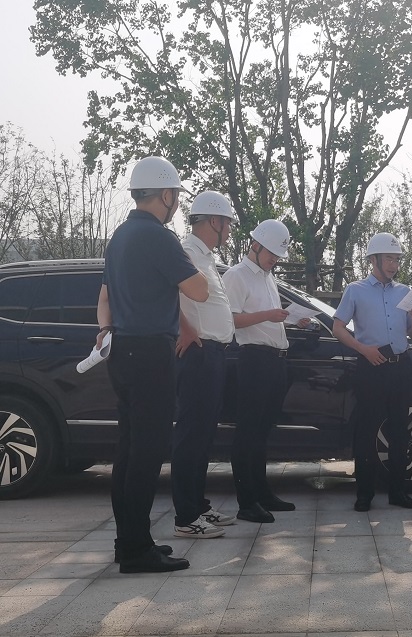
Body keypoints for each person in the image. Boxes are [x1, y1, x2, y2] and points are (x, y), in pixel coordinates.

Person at [97, 156, 208, 573]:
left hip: (123, 349)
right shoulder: (159, 237)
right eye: (175, 195)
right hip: (150, 354)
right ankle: (136, 551)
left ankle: (130, 541)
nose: (176, 202)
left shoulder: (119, 237)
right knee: (147, 453)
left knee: (129, 452)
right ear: (165, 194)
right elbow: (198, 290)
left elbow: (106, 296)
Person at [332, 232, 412, 512]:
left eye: (397, 260)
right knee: (367, 430)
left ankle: (398, 492)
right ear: (373, 260)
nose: (394, 265)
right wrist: (363, 349)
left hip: (400, 366)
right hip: (370, 366)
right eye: (389, 259)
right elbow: (338, 328)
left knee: (399, 430)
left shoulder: (405, 292)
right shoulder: (355, 290)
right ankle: (364, 494)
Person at [222, 219, 304, 523]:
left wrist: (292, 319)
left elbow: (269, 318)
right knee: (248, 431)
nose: (274, 260)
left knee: (263, 431)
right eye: (271, 253)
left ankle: (262, 493)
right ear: (254, 245)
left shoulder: (268, 277)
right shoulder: (236, 275)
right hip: (254, 359)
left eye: (278, 255)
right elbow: (230, 320)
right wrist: (269, 314)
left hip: (275, 360)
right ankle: (246, 502)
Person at [171, 191, 237, 539]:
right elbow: (165, 290)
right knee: (191, 435)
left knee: (204, 434)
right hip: (198, 353)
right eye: (228, 223)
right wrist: (184, 327)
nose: (229, 230)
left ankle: (198, 506)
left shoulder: (206, 256)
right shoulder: (185, 251)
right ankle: (185, 517)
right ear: (214, 221)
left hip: (213, 353)